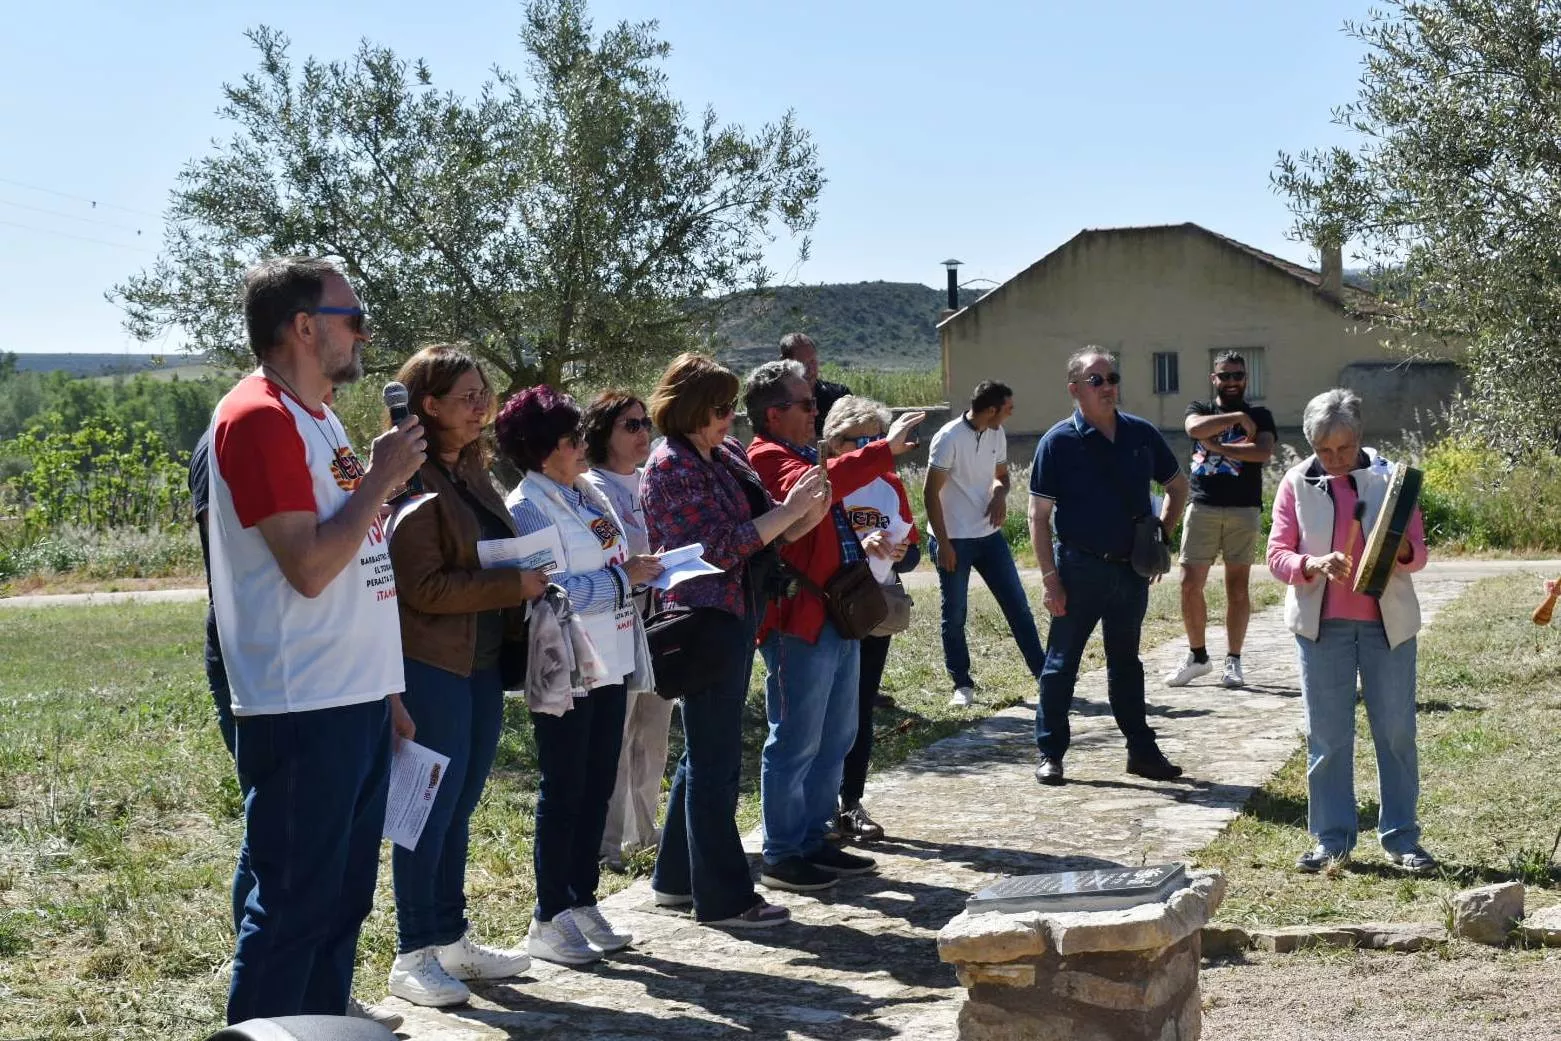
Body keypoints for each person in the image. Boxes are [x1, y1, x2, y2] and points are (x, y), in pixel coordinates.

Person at [208, 257, 425, 1024]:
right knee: (294, 910)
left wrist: (387, 691)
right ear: (303, 326)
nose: (364, 331)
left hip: (354, 696)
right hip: (303, 701)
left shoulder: (320, 415)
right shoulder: (258, 416)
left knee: (339, 907)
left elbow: (358, 561)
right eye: (352, 315)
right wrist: (382, 478)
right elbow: (306, 566)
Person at [383, 345, 549, 1007]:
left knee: (459, 807)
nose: (483, 404)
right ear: (427, 404)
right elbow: (421, 585)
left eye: (485, 391)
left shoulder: (470, 472)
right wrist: (513, 582)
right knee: (425, 812)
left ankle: (450, 939)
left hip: (479, 666)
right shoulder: (413, 478)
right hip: (431, 665)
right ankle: (412, 952)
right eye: (466, 395)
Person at [640, 353, 830, 928]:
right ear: (692, 408)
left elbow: (762, 528)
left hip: (733, 612)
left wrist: (804, 513)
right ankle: (724, 898)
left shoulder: (718, 454)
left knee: (707, 754)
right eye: (721, 408)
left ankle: (676, 880)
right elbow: (716, 548)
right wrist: (790, 515)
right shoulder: (670, 465)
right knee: (717, 762)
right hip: (702, 621)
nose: (731, 418)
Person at [498, 387, 663, 965]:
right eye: (571, 439)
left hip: (612, 657)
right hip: (566, 667)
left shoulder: (588, 491)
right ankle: (548, 916)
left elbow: (613, 559)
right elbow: (550, 588)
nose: (582, 445)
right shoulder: (526, 506)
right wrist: (626, 582)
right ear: (543, 452)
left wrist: (632, 575)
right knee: (564, 787)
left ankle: (581, 898)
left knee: (597, 784)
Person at [745, 360, 924, 893]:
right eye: (805, 403)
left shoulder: (801, 453)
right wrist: (881, 450)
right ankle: (781, 852)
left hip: (835, 615)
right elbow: (818, 490)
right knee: (796, 737)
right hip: (799, 619)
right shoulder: (767, 456)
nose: (815, 409)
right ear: (774, 414)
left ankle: (814, 837)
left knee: (836, 735)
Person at [1266, 388, 1437, 874]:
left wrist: (1403, 549)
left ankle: (1403, 840)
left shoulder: (1393, 480)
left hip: (1388, 627)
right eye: (1323, 450)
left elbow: (1419, 555)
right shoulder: (1295, 484)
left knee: (1397, 733)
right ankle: (1331, 841)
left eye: (1342, 449)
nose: (1334, 460)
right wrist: (1311, 563)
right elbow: (1276, 556)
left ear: (1359, 438)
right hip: (1322, 630)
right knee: (1328, 737)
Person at [1027, 348, 1189, 787]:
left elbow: (1178, 486)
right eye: (1096, 379)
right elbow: (1038, 517)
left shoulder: (1141, 434)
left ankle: (1141, 751)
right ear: (1075, 389)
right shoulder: (1057, 442)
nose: (1108, 386)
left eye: (1112, 377)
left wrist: (1162, 537)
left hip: (1129, 573)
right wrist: (1050, 579)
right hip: (1078, 569)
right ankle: (1051, 752)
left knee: (1126, 664)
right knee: (1061, 663)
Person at [821, 396, 921, 844]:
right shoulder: (824, 481)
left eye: (874, 438)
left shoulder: (889, 483)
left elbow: (914, 549)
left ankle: (850, 802)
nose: (866, 446)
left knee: (858, 706)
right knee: (822, 710)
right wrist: (856, 548)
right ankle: (813, 809)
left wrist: (902, 551)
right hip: (824, 606)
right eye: (855, 439)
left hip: (871, 606)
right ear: (832, 442)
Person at [578, 389, 670, 869]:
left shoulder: (651, 480)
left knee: (653, 732)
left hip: (660, 619)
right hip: (615, 622)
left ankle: (645, 832)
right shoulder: (591, 488)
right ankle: (608, 843)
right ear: (602, 433)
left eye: (645, 424)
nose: (643, 434)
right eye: (630, 425)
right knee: (616, 734)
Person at [923, 381, 1047, 707]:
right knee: (955, 614)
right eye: (1008, 408)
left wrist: (1000, 494)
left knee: (1018, 606)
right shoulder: (948, 438)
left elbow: (1002, 477)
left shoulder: (996, 433)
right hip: (954, 541)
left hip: (989, 537)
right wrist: (944, 544)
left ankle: (1045, 675)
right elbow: (929, 493)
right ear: (991, 410)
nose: (1011, 414)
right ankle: (961, 685)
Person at [1166, 350, 1276, 689]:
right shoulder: (1201, 409)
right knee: (1189, 584)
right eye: (1224, 376)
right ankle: (1198, 657)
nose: (1231, 382)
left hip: (1244, 509)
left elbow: (1262, 451)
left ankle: (1234, 661)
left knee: (1237, 588)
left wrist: (1221, 448)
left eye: (1237, 376)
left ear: (1246, 379)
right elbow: (1194, 429)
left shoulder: (1261, 414)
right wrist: (1235, 420)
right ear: (1214, 378)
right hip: (1203, 507)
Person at [779, 332, 851, 437]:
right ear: (784, 363)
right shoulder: (776, 401)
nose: (810, 369)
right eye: (802, 363)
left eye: (812, 362)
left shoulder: (839, 396)